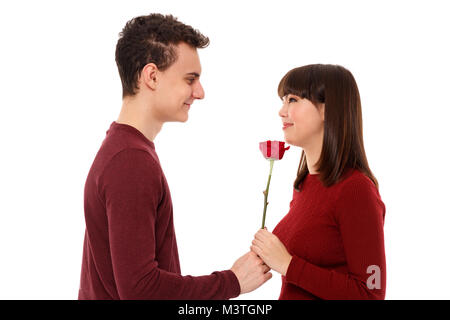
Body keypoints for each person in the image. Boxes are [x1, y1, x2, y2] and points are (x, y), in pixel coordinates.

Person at [78, 13, 271, 300]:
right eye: (190, 79)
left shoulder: (125, 150)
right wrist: (232, 282)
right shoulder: (130, 161)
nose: (200, 92)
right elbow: (140, 290)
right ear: (152, 76)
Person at [251, 64, 386, 300]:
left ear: (326, 109)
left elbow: (370, 294)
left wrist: (288, 265)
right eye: (283, 100)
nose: (282, 111)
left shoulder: (356, 190)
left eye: (292, 100)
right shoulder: (304, 185)